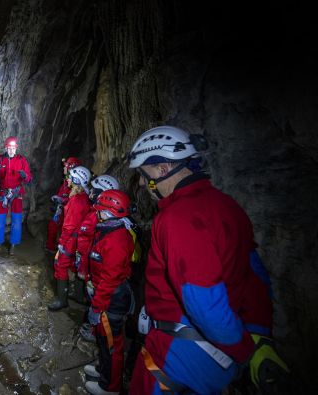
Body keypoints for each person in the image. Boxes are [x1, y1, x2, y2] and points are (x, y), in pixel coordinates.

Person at [126, 125, 286, 394]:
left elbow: (204, 306)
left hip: (178, 355)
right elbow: (254, 276)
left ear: (163, 169)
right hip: (217, 357)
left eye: (144, 173)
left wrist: (244, 350)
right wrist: (258, 336)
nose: (142, 183)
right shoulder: (227, 206)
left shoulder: (178, 219)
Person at [82, 189, 136, 395]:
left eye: (100, 211)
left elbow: (110, 279)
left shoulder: (117, 241)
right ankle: (103, 370)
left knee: (112, 343)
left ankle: (110, 387)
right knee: (103, 340)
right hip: (104, 293)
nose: (97, 213)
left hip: (112, 298)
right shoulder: (107, 230)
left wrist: (97, 306)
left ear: (109, 213)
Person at [75, 174, 120, 342]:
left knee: (99, 301)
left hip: (99, 270)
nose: (91, 193)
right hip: (91, 264)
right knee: (92, 294)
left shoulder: (103, 221)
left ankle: (97, 333)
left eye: (95, 191)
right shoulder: (96, 213)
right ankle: (94, 328)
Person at [48, 165, 91, 311]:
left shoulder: (76, 201)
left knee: (60, 264)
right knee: (75, 264)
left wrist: (61, 244)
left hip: (71, 239)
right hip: (79, 238)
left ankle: (62, 300)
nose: (68, 180)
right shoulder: (83, 197)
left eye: (71, 178)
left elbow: (68, 226)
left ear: (76, 180)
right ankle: (78, 295)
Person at [0, 136, 32, 255]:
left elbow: (29, 179)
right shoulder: (0, 160)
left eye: (13, 148)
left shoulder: (21, 160)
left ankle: (13, 244)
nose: (11, 150)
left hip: (17, 193)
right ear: (5, 148)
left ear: (16, 148)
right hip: (3, 192)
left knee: (16, 220)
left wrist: (24, 176)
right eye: (9, 148)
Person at [45, 157, 82, 252]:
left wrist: (62, 200)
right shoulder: (66, 181)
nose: (64, 169)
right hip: (61, 209)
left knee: (61, 230)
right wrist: (58, 199)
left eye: (65, 167)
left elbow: (74, 199)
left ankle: (59, 251)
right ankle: (51, 248)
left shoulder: (76, 185)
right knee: (53, 226)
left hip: (67, 212)